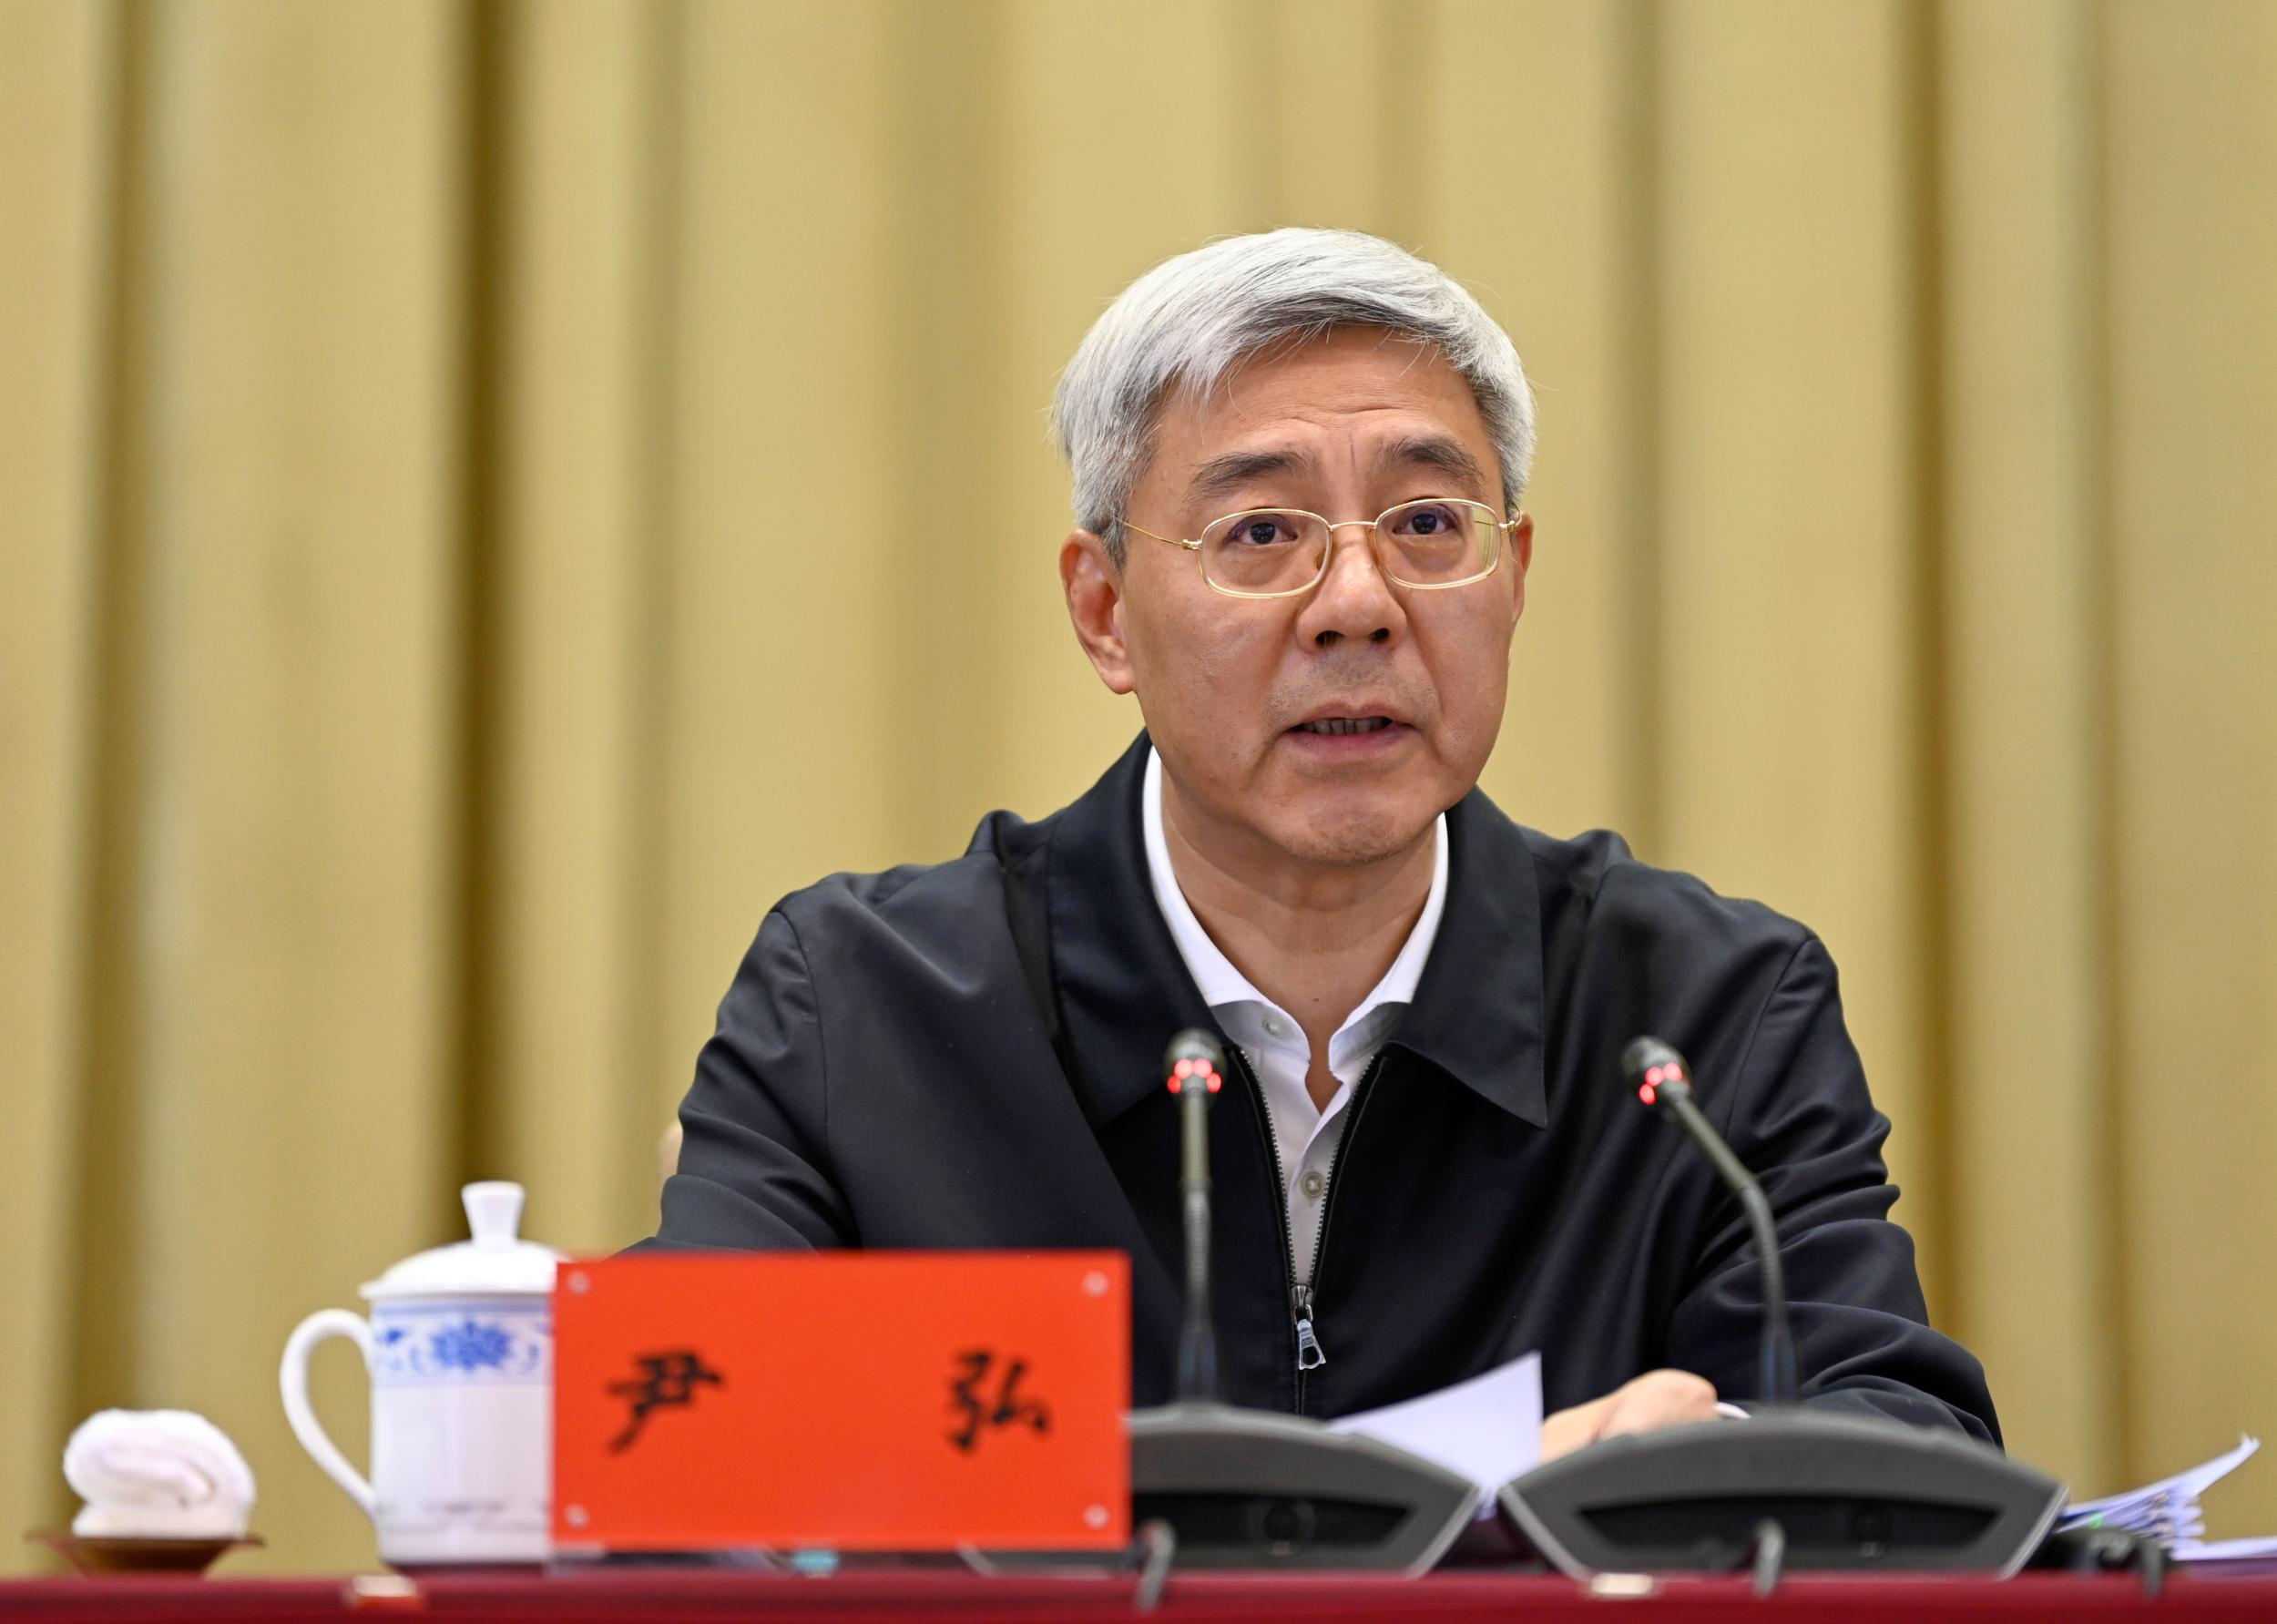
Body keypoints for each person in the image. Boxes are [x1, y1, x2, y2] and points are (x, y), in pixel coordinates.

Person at [650, 229, 1997, 1455]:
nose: (1358, 602)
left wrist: (1707, 1470)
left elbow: (1908, 1445)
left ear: (1515, 578)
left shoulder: (1704, 1015)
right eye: (1260, 533)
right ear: (1106, 611)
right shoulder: (866, 1007)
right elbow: (669, 1450)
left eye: (1429, 526)